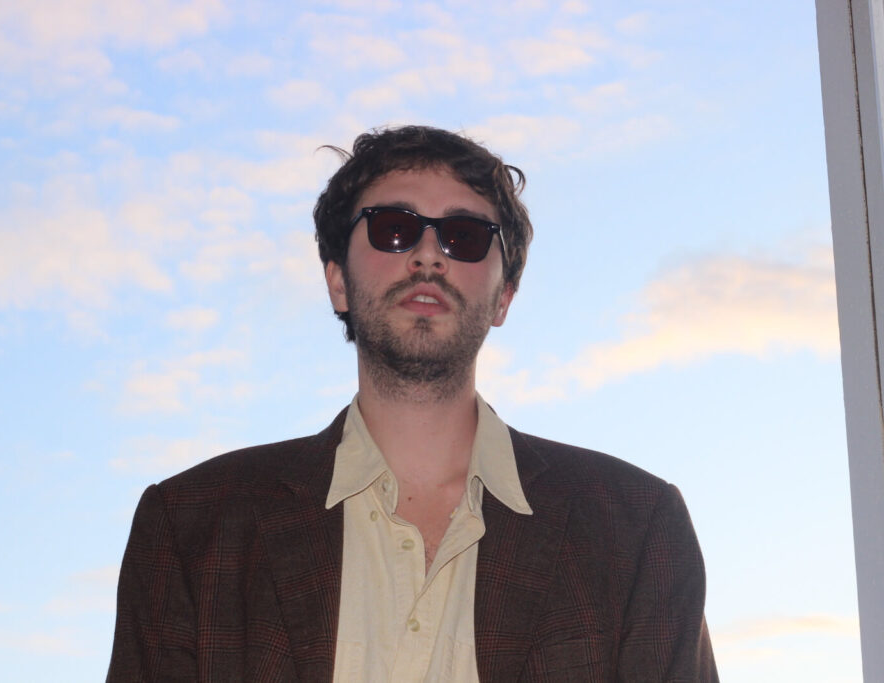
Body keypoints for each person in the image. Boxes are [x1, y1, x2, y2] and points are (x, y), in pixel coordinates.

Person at [106, 125, 718, 682]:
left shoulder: (635, 528)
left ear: (503, 297)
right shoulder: (191, 527)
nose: (428, 255)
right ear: (338, 281)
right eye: (393, 228)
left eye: (465, 236)